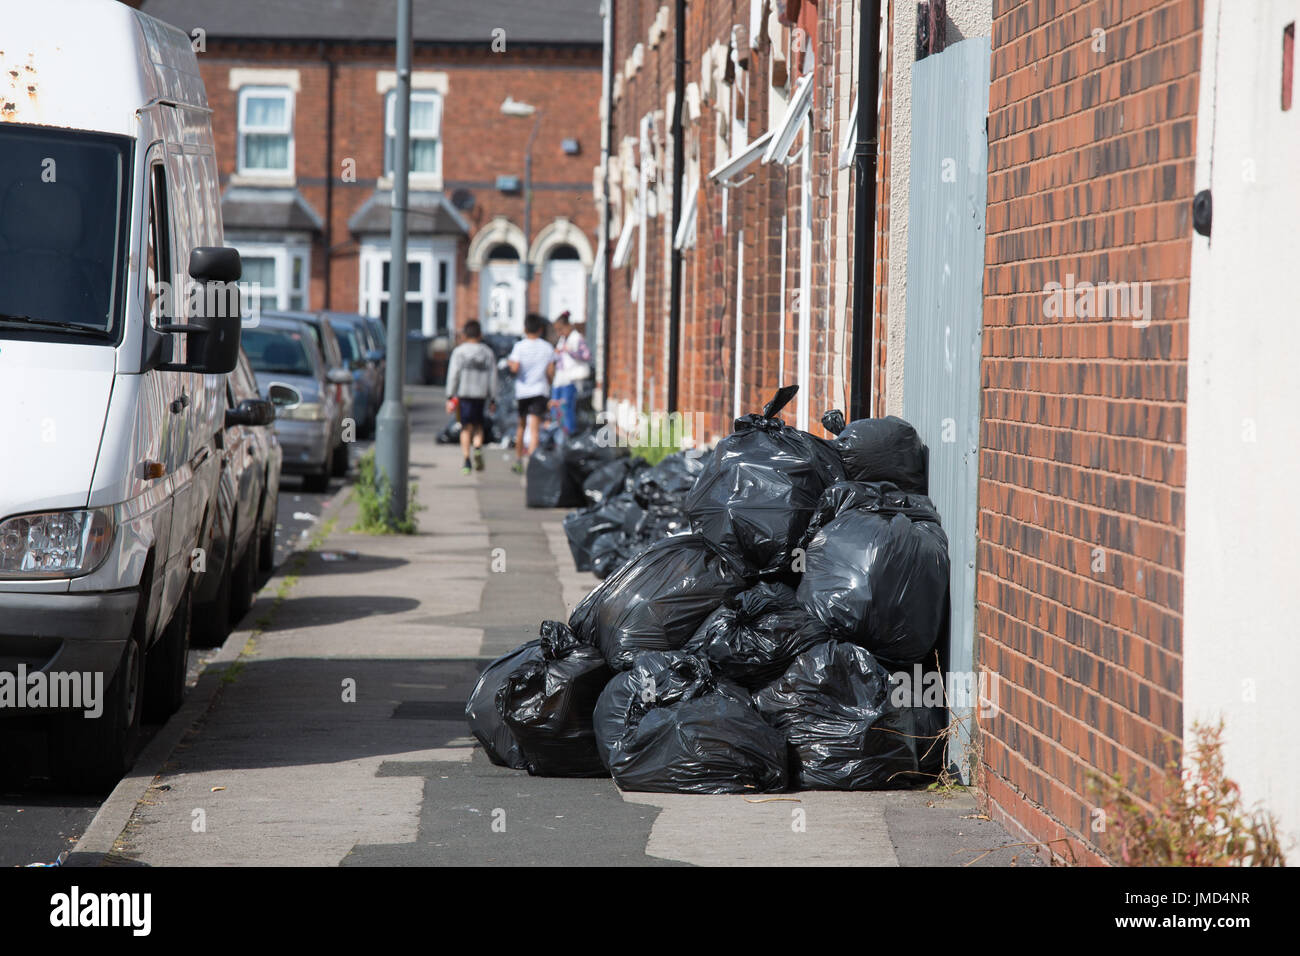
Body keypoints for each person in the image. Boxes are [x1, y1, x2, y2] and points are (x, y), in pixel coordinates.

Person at [444, 320, 497, 475]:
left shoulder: (459, 352)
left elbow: (453, 375)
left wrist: (450, 396)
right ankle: (478, 447)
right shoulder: (487, 353)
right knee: (478, 426)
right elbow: (493, 376)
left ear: (465, 335)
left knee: (465, 428)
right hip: (481, 395)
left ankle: (467, 460)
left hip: (464, 395)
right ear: (480, 334)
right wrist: (493, 398)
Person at [507, 313, 555, 473]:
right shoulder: (547, 348)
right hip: (540, 391)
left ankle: (518, 460)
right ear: (540, 329)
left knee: (521, 427)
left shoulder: (519, 346)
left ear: (525, 328)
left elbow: (514, 368)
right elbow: (550, 372)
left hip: (522, 392)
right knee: (534, 429)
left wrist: (510, 364)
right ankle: (532, 466)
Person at [549, 311, 591, 436]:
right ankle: (557, 435)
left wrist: (571, 352)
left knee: (566, 408)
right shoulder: (562, 339)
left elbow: (587, 355)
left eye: (561, 329)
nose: (559, 333)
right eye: (557, 330)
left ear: (568, 326)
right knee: (555, 408)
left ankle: (569, 434)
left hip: (571, 379)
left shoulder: (577, 338)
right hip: (560, 379)